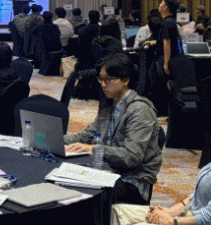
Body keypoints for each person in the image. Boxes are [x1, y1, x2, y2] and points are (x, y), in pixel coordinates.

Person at [65, 53, 162, 205]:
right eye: (101, 79)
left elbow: (132, 156)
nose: (103, 85)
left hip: (133, 182)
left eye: (108, 80)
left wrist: (93, 149)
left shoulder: (140, 110)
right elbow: (85, 137)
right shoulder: (109, 104)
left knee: (80, 198)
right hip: (108, 172)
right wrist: (53, 139)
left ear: (126, 80)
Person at [110, 161, 211, 225]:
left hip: (192, 221)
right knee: (117, 210)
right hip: (187, 215)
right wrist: (167, 213)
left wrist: (172, 221)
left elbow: (207, 218)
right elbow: (193, 197)